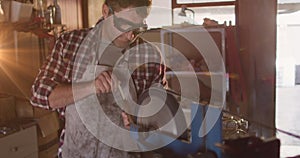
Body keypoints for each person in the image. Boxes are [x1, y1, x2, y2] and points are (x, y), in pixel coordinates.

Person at [30, 0, 167, 157]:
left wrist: (140, 127)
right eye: (124, 25)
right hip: (74, 152)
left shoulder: (150, 56)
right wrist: (91, 87)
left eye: (138, 28)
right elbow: (40, 95)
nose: (130, 35)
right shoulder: (70, 44)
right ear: (106, 11)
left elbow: (160, 117)